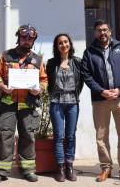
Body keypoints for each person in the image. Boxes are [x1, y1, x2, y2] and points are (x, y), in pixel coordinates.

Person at [0, 24, 48, 184]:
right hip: (7, 104)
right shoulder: (6, 55)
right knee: (4, 136)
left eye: (30, 39)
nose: (26, 41)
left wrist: (40, 89)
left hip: (27, 105)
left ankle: (28, 170)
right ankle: (0, 171)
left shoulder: (37, 60)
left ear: (33, 41)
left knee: (28, 137)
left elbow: (44, 79)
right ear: (19, 38)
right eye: (24, 38)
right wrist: (2, 86)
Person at [81, 19, 120, 184]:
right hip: (100, 100)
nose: (102, 33)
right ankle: (106, 167)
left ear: (110, 31)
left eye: (105, 29)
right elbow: (86, 75)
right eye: (98, 30)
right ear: (95, 33)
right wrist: (101, 91)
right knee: (101, 135)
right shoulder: (89, 52)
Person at [46, 33, 83, 182]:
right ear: (57, 46)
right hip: (56, 102)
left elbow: (83, 80)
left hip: (73, 102)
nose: (63, 45)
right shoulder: (51, 63)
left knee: (71, 135)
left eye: (66, 42)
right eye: (60, 43)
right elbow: (45, 80)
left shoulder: (77, 62)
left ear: (70, 44)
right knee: (59, 135)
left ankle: (70, 165)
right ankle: (60, 166)